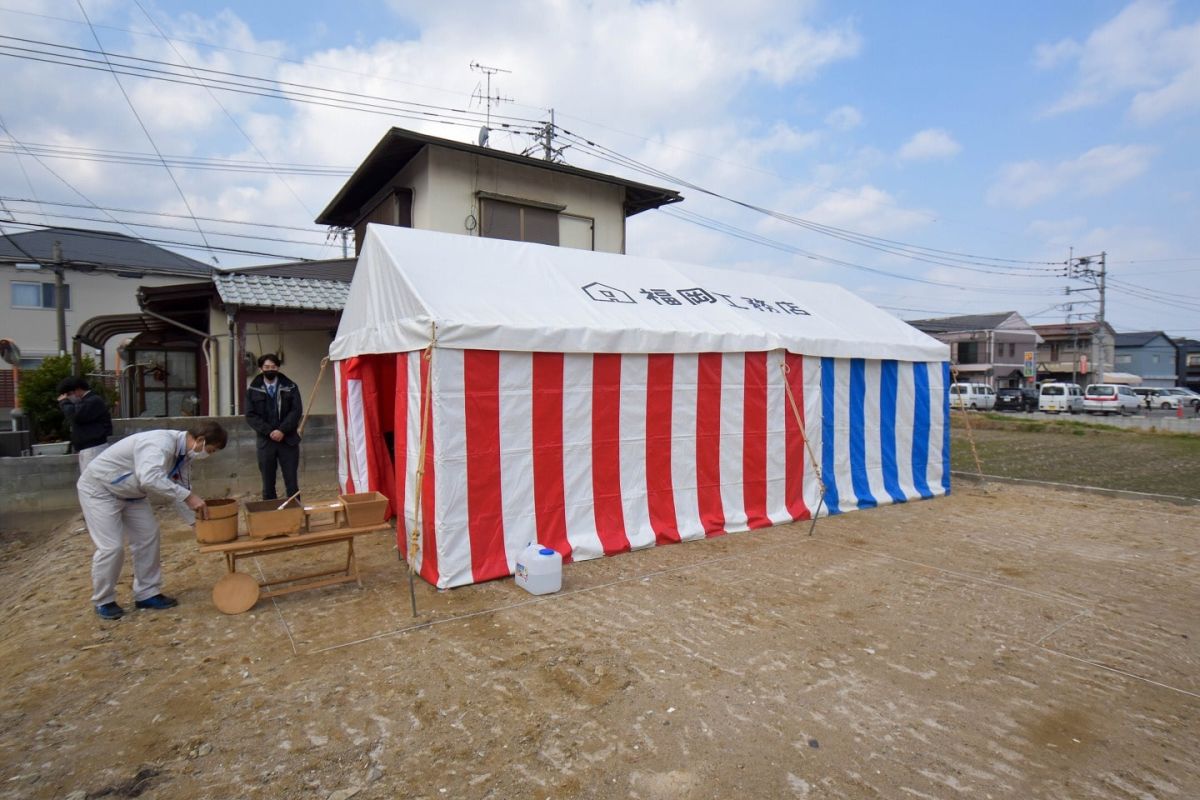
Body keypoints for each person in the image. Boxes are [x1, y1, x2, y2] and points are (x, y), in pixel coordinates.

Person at [77, 420, 227, 620]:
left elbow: (180, 489)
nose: (208, 455)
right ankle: (104, 600)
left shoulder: (183, 457)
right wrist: (189, 497)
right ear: (199, 440)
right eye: (210, 449)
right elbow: (150, 477)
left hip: (133, 494)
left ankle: (147, 593)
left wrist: (195, 524)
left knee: (148, 535)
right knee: (111, 547)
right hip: (100, 491)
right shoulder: (160, 444)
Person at [245, 353, 302, 502]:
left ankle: (295, 512)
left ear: (278, 367)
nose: (270, 369)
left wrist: (282, 430)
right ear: (260, 368)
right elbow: (250, 415)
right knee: (268, 481)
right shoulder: (253, 389)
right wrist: (269, 431)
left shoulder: (290, 386)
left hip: (288, 440)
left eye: (273, 367)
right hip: (266, 442)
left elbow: (296, 411)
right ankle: (270, 514)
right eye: (266, 367)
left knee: (291, 480)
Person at [57, 376, 114, 472]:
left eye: (69, 394)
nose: (68, 397)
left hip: (93, 447)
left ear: (78, 389)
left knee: (91, 479)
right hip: (88, 448)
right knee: (89, 479)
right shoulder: (86, 401)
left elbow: (76, 416)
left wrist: (64, 403)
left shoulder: (93, 401)